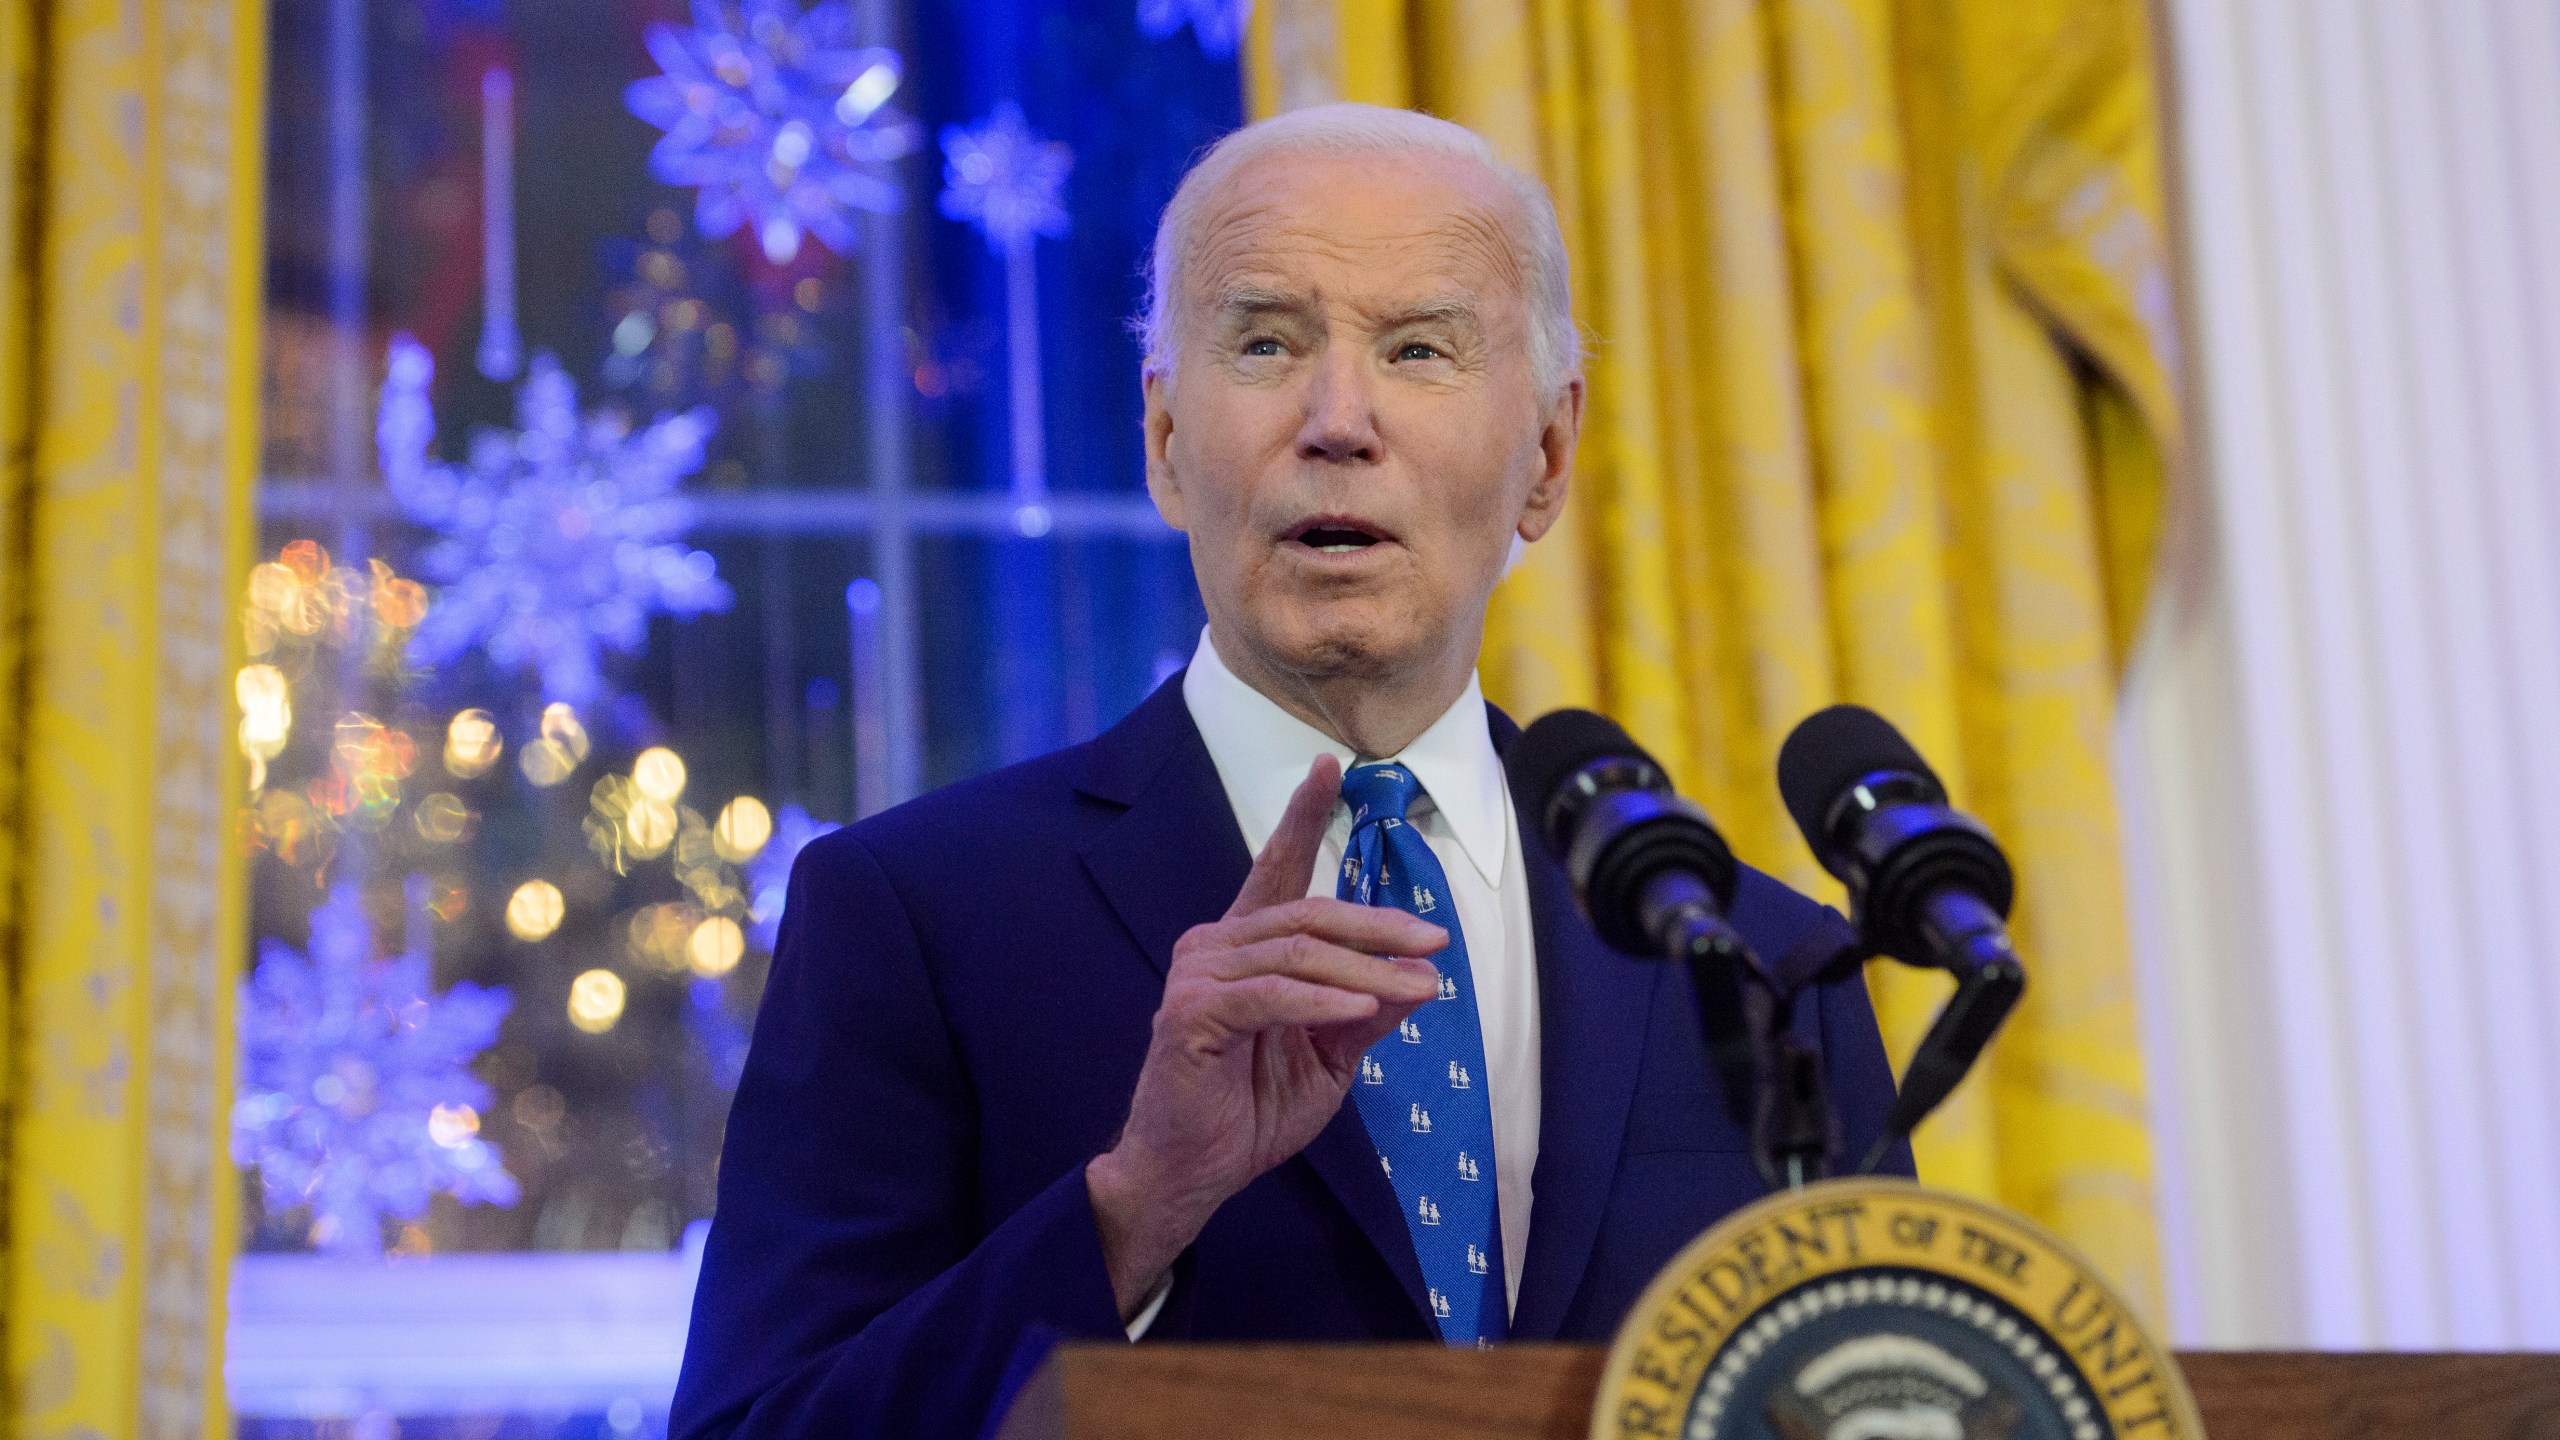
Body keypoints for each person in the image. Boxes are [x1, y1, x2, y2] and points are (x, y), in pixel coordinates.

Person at [669, 102, 1909, 1440]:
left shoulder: (1765, 974)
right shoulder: (914, 919)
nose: (1339, 420)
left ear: (1545, 457)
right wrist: (1134, 1211)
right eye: (1266, 342)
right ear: (1163, 443)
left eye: (1420, 348)